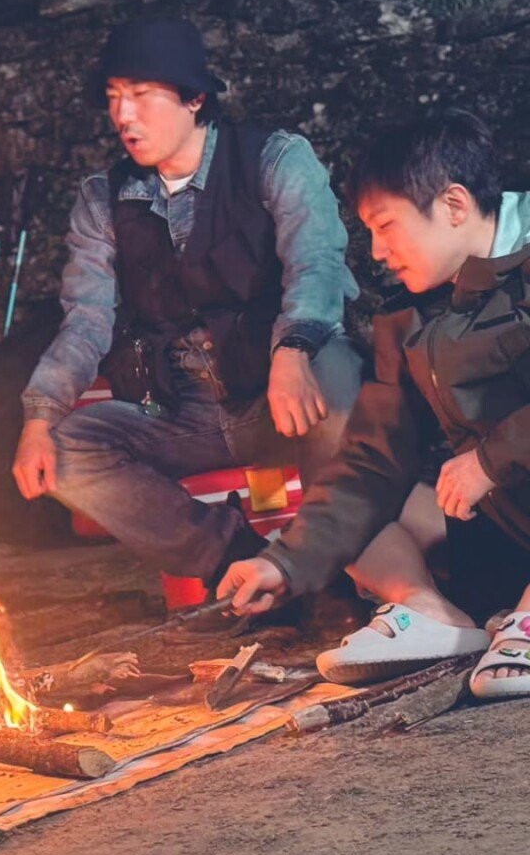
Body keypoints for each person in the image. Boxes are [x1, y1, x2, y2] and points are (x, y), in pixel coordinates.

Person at [13, 17, 364, 596]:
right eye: (114, 97)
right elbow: (87, 321)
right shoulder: (104, 200)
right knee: (66, 448)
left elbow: (317, 265)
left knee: (337, 369)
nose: (123, 116)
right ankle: (236, 562)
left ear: (195, 97)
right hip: (184, 410)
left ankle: (343, 574)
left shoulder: (275, 160)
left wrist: (293, 349)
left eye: (141, 95)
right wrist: (39, 417)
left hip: (279, 391)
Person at [218, 110, 530, 697]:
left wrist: (491, 460)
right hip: (501, 525)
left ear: (454, 205)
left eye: (386, 226)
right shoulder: (410, 317)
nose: (377, 251)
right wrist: (284, 562)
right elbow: (372, 460)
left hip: (504, 485)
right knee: (361, 502)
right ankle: (433, 613)